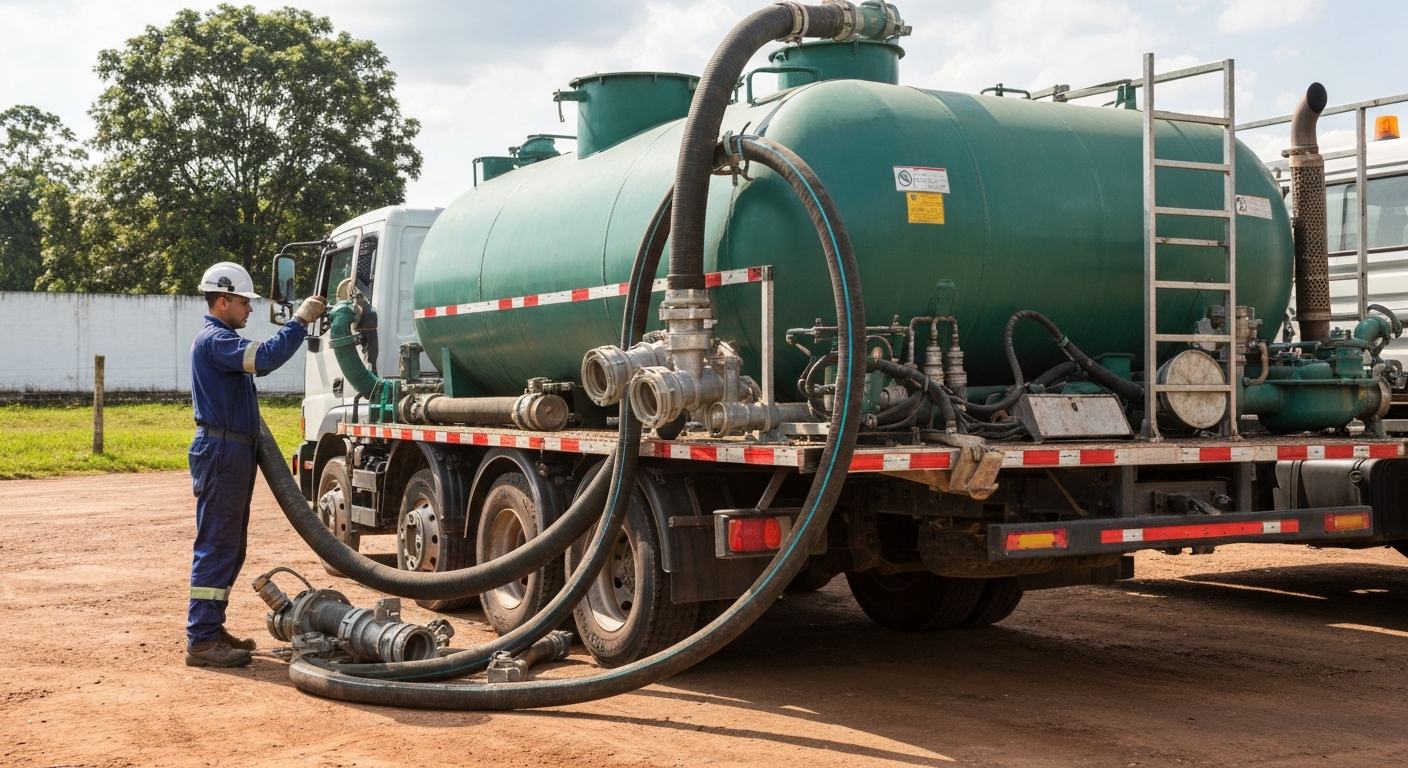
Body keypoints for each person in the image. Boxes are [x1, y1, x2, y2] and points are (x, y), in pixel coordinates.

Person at [185, 261, 326, 667]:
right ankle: (202, 640)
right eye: (245, 302)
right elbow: (265, 357)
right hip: (222, 451)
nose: (250, 310)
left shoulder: (221, 339)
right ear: (223, 300)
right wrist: (299, 321)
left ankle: (211, 629)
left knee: (231, 546)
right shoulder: (216, 340)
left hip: (232, 450)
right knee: (216, 544)